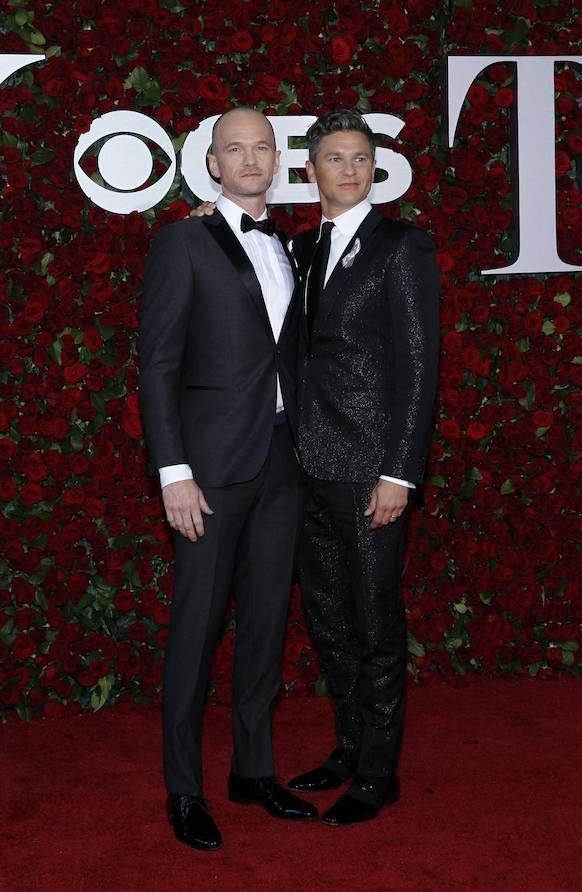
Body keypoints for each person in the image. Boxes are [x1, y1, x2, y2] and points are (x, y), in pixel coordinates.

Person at [139, 106, 316, 853]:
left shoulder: (291, 246)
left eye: (261, 147)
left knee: (267, 624)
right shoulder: (182, 243)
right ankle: (184, 790)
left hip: (284, 460)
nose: (249, 159)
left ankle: (252, 771)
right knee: (196, 629)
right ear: (211, 164)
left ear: (278, 159)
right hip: (209, 470)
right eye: (233, 149)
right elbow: (158, 365)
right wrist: (173, 472)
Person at [286, 110, 440, 825]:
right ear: (312, 170)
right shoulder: (301, 247)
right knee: (328, 618)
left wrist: (400, 473)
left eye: (360, 158)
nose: (348, 169)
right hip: (305, 466)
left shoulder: (401, 249)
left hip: (370, 467)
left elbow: (418, 369)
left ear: (373, 169)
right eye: (334, 158)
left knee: (376, 623)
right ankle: (350, 747)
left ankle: (380, 774)